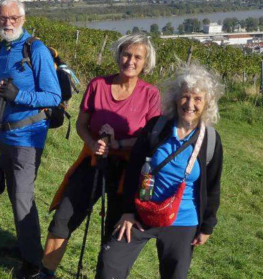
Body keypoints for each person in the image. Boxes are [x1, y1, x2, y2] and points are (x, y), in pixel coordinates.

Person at [38, 33, 161, 279]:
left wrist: (119, 142)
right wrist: (93, 143)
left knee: (114, 232)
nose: (130, 61)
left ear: (145, 63)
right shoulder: (98, 86)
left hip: (127, 171)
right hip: (93, 161)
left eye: (138, 57)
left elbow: (151, 138)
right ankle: (45, 273)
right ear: (118, 55)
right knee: (63, 218)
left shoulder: (150, 95)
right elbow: (82, 125)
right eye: (126, 54)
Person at [95, 63, 224, 279]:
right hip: (142, 213)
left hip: (183, 221)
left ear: (207, 103)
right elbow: (134, 170)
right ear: (175, 98)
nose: (190, 104)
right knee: (110, 264)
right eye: (185, 97)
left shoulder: (210, 140)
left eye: (197, 99)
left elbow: (212, 186)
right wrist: (127, 211)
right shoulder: (157, 128)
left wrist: (207, 226)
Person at [0, 0, 62, 278]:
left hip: (29, 136)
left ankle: (33, 263)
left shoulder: (35, 50)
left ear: (23, 19)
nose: (8, 22)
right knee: (15, 194)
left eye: (13, 18)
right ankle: (27, 246)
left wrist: (20, 96)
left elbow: (53, 96)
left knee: (23, 197)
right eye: (3, 18)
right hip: (4, 135)